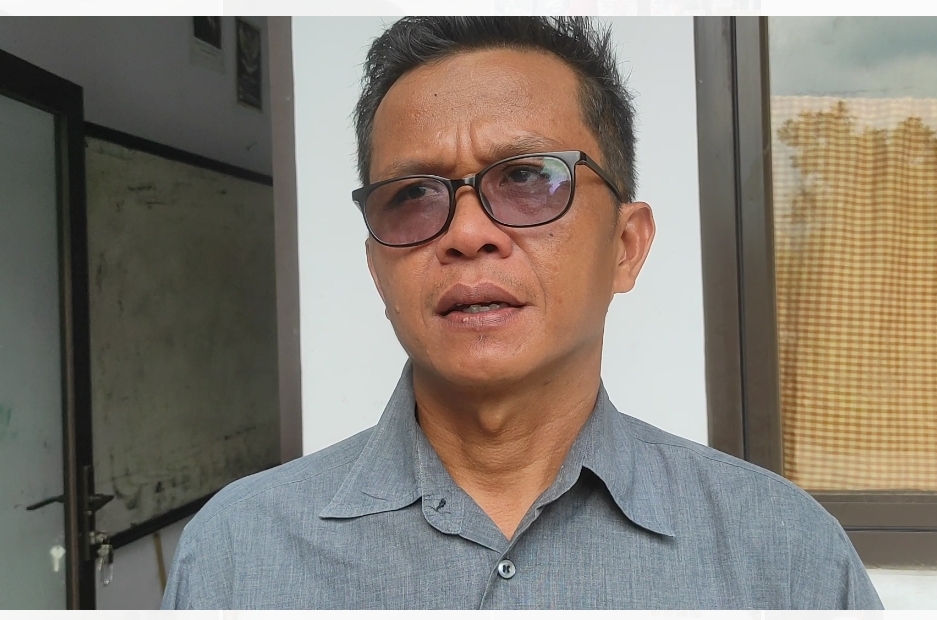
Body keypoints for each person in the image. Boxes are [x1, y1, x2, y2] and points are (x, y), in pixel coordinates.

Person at [162, 16, 883, 610]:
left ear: (626, 247)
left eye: (529, 178)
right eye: (413, 195)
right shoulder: (239, 554)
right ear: (377, 268)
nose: (468, 233)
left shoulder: (783, 557)